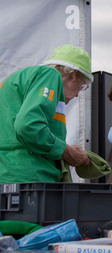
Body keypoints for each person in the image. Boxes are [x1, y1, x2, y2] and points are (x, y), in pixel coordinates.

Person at [0, 44, 92, 184]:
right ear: (74, 75)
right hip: (29, 178)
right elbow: (28, 126)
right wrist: (67, 152)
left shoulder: (15, 80)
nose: (78, 93)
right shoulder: (50, 74)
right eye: (82, 85)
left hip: (7, 175)